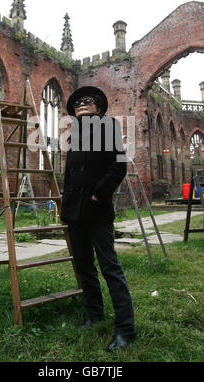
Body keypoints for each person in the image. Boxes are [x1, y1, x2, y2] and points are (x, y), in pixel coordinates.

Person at [61, 86, 136, 351]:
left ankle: (125, 328)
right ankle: (94, 314)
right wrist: (65, 204)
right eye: (78, 102)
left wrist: (98, 194)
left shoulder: (108, 127)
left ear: (99, 107)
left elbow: (118, 166)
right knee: (84, 266)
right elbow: (71, 174)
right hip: (74, 211)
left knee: (109, 267)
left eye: (88, 101)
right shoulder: (74, 134)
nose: (82, 103)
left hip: (96, 210)